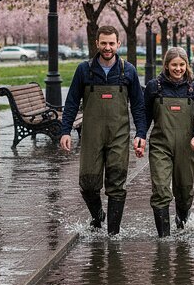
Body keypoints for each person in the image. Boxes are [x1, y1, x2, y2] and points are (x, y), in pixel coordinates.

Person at [60, 25, 147, 235]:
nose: (107, 47)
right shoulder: (84, 70)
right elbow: (72, 102)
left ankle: (113, 233)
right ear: (97, 44)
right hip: (91, 136)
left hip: (118, 136)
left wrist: (141, 134)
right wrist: (65, 131)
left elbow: (138, 106)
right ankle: (98, 216)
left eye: (111, 43)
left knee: (116, 183)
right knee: (88, 183)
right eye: (104, 43)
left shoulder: (128, 71)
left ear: (118, 44)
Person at [144, 46, 194, 237]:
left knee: (184, 192)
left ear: (186, 66)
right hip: (160, 146)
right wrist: (140, 136)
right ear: (166, 65)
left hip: (185, 147)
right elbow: (145, 117)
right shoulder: (154, 87)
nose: (178, 69)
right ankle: (164, 238)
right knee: (161, 191)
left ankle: (182, 223)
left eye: (181, 65)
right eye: (174, 65)